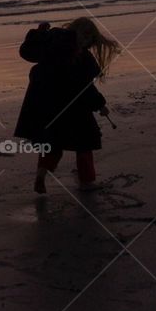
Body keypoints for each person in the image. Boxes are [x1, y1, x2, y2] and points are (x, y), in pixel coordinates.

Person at [14, 17, 120, 193]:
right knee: (85, 143)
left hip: (47, 107)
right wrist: (100, 105)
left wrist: (38, 34)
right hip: (75, 110)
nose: (89, 44)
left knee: (52, 144)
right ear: (85, 37)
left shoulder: (52, 45)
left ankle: (41, 175)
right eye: (89, 39)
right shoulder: (80, 56)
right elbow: (86, 88)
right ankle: (86, 181)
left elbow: (28, 52)